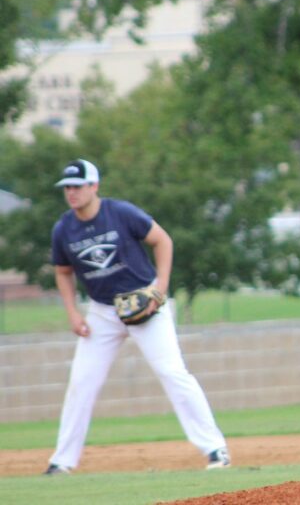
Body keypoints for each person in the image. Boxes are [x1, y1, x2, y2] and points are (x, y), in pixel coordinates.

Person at [43, 159, 230, 474]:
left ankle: (215, 449)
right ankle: (62, 462)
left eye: (77, 186)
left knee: (173, 373)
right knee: (81, 383)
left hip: (145, 305)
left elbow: (163, 240)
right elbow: (62, 271)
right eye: (67, 188)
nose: (71, 193)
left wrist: (160, 288)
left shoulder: (120, 213)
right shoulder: (64, 228)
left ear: (94, 186)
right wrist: (73, 312)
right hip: (102, 312)